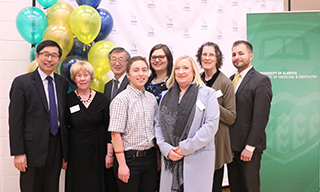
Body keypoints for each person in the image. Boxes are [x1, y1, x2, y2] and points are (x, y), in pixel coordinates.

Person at [9, 40, 69, 192]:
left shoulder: (62, 83)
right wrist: (18, 153)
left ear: (59, 60)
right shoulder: (22, 83)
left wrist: (65, 153)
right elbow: (15, 121)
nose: (49, 59)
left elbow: (63, 117)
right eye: (45, 54)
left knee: (52, 188)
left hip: (56, 149)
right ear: (37, 56)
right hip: (31, 150)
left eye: (54, 56)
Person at [155, 55, 220, 192]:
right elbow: (158, 125)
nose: (181, 71)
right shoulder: (165, 96)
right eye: (177, 68)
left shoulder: (208, 94)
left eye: (185, 68)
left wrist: (184, 148)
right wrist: (166, 149)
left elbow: (211, 125)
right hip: (171, 158)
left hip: (198, 158)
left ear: (193, 71)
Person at [227, 40, 272, 192]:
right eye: (234, 54)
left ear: (250, 56)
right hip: (231, 147)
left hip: (248, 148)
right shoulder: (230, 80)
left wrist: (250, 146)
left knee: (250, 188)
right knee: (235, 187)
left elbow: (261, 117)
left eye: (241, 53)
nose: (236, 57)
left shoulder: (261, 80)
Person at [108, 56, 158, 192]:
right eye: (136, 70)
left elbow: (156, 129)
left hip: (150, 158)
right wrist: (122, 165)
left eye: (144, 70)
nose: (141, 74)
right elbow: (115, 134)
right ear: (128, 75)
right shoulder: (121, 100)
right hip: (130, 160)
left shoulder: (152, 99)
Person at [196, 42, 236, 192]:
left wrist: (212, 104)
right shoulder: (196, 81)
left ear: (217, 58)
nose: (207, 58)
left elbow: (231, 117)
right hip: (197, 141)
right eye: (204, 54)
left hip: (217, 143)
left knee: (214, 185)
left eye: (211, 54)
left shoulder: (226, 83)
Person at [65, 61, 111, 192]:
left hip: (98, 150)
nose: (82, 79)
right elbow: (64, 129)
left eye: (86, 75)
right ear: (74, 78)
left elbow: (109, 129)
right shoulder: (68, 99)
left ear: (91, 77)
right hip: (75, 152)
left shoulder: (102, 99)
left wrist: (109, 154)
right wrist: (65, 156)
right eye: (78, 75)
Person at [103, 47, 131, 192]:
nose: (117, 63)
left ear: (128, 62)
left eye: (121, 59)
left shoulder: (133, 84)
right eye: (114, 59)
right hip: (111, 141)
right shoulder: (108, 86)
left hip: (127, 144)